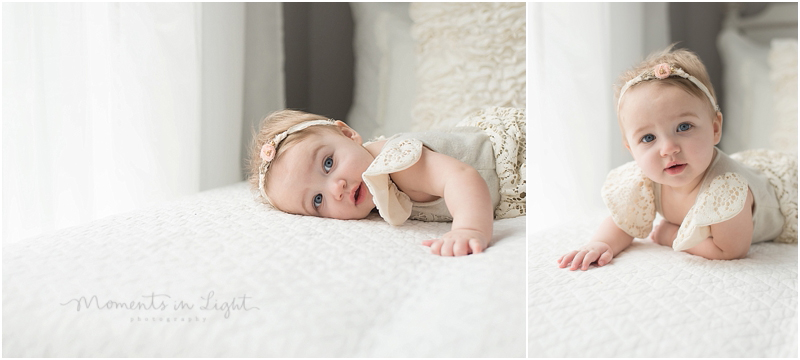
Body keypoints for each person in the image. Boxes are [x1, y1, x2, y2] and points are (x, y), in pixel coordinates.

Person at [558, 45, 797, 271]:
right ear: (631, 150)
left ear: (714, 129)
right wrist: (601, 244)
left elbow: (729, 250)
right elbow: (623, 222)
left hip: (784, 196)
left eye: (684, 127)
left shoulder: (728, 188)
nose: (668, 149)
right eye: (648, 138)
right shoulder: (643, 182)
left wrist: (671, 235)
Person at [248, 107, 526, 256]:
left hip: (518, 157)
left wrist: (469, 229)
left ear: (347, 134)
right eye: (317, 200)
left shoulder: (396, 162)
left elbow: (462, 177)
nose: (336, 188)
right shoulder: (373, 191)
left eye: (328, 163)